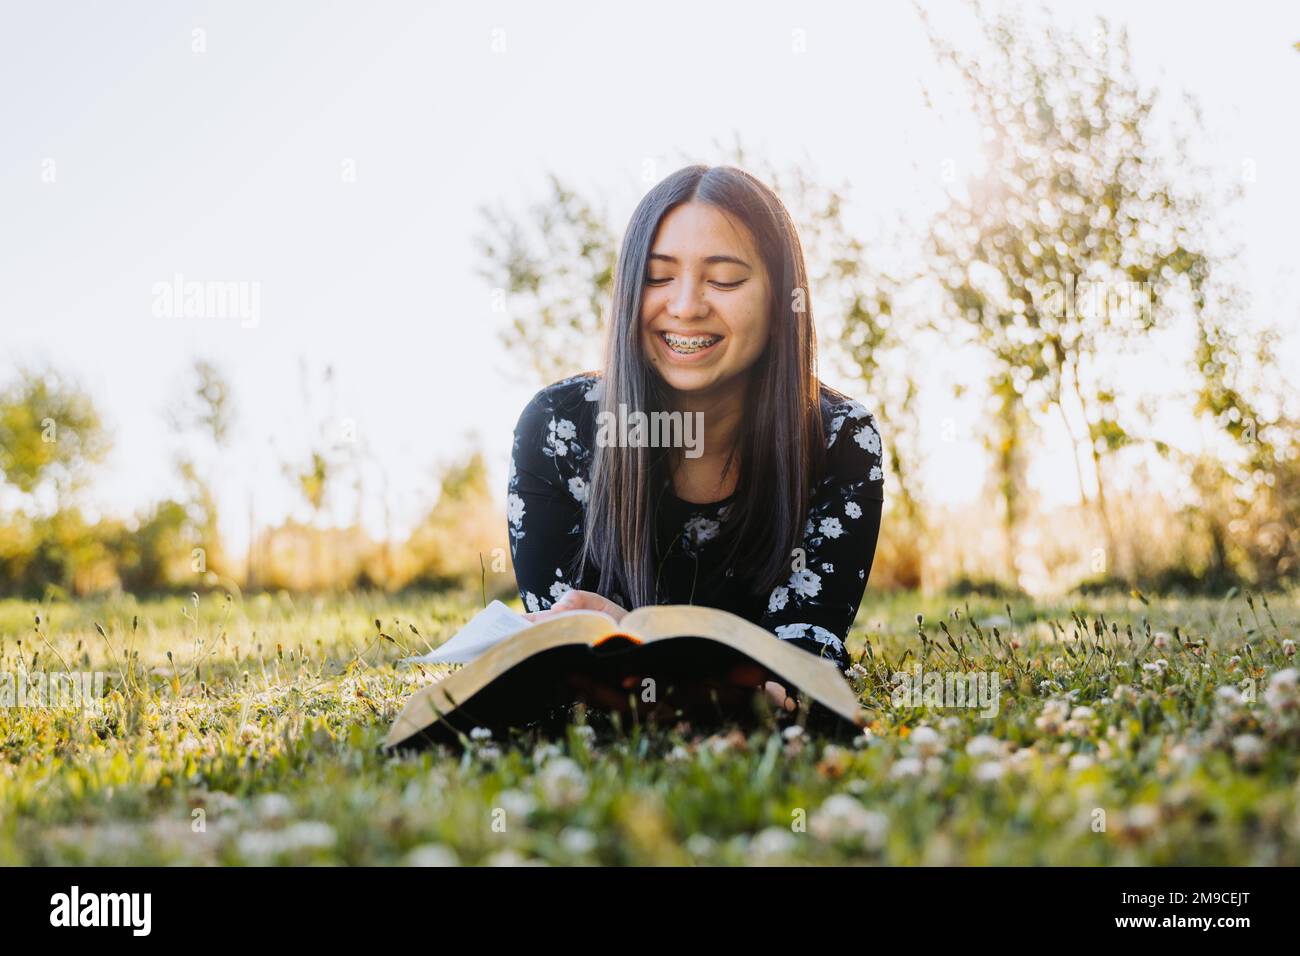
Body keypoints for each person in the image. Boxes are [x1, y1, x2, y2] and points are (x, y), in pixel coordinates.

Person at [506, 164, 884, 713]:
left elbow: (800, 668)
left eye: (725, 280)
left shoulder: (841, 440)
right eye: (658, 277)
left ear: (783, 300)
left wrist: (642, 643)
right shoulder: (557, 432)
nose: (685, 306)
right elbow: (568, 658)